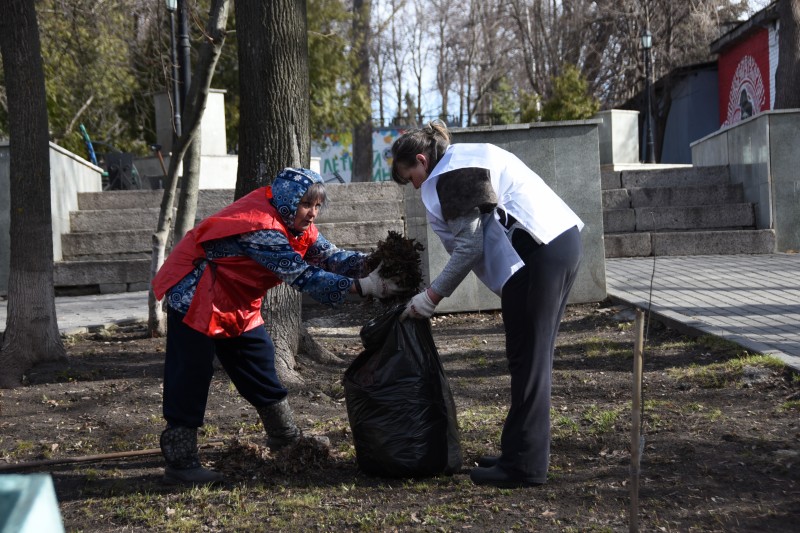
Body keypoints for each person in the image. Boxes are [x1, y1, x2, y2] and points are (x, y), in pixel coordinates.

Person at [152, 167, 402, 484]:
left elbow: (329, 256)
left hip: (235, 297)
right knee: (191, 372)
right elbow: (301, 275)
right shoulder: (261, 227)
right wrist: (365, 287)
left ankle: (284, 437)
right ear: (289, 201)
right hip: (195, 292)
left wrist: (375, 262)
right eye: (306, 205)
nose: (312, 214)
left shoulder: (294, 224)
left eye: (317, 206)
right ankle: (180, 460)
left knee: (258, 358)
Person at [391, 121, 583, 488]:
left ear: (421, 159)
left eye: (410, 175)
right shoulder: (464, 158)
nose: (414, 185)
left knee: (528, 360)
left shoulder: (453, 174)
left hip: (537, 255)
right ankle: (517, 451)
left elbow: (470, 247)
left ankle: (524, 467)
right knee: (528, 357)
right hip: (552, 246)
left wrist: (431, 297)